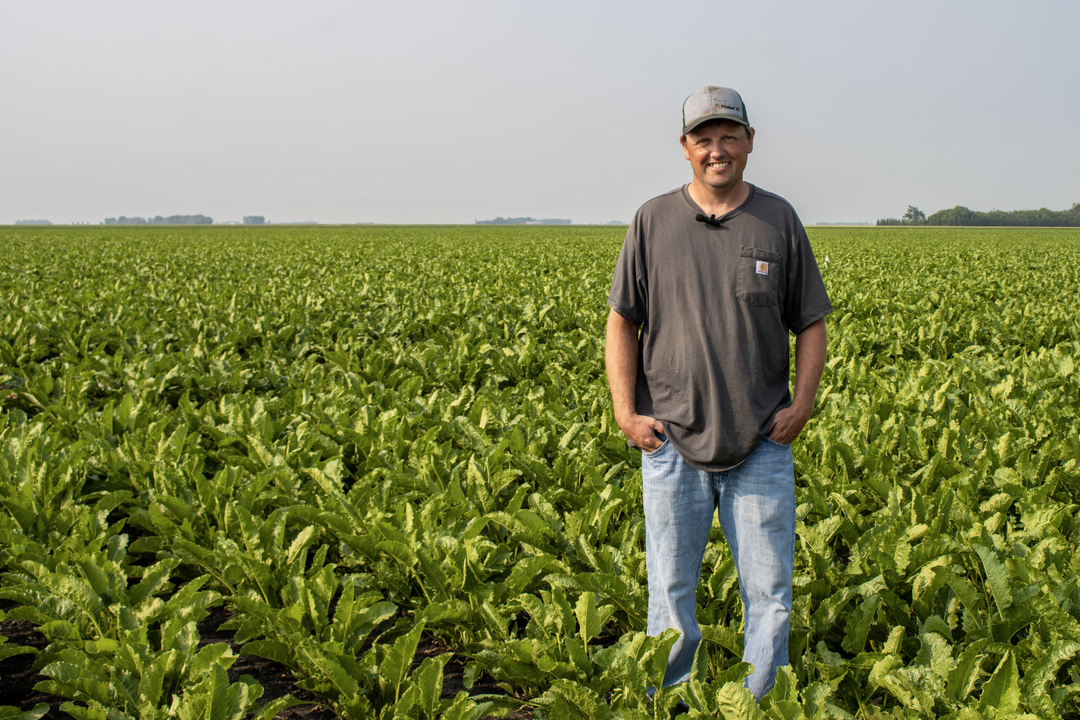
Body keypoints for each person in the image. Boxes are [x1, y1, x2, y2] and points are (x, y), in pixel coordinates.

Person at [605, 86, 832, 700]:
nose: (716, 150)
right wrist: (626, 412)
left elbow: (811, 320)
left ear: (750, 142)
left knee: (770, 595)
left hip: (760, 440)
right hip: (671, 441)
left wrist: (803, 404)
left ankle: (757, 706)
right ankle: (670, 701)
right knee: (671, 592)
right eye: (703, 139)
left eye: (728, 136)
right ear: (684, 149)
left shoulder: (777, 219)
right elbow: (622, 319)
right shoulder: (652, 220)